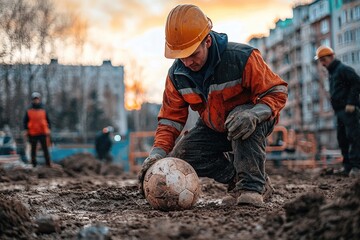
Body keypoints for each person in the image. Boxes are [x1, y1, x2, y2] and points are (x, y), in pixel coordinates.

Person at [138, 4, 288, 207]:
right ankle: (237, 180)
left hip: (253, 121)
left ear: (207, 41)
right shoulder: (177, 76)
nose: (188, 62)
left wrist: (255, 114)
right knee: (183, 153)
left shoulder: (242, 57)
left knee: (239, 117)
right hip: (215, 126)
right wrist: (156, 154)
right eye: (182, 56)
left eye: (193, 54)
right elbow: (170, 119)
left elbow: (277, 91)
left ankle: (252, 188)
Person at [314, 46, 360, 177]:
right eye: (320, 60)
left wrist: (351, 102)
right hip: (339, 112)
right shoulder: (333, 72)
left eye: (324, 59)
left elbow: (357, 83)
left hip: (349, 110)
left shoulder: (343, 69)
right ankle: (348, 167)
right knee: (342, 139)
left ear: (332, 57)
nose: (322, 63)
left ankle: (357, 167)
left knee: (354, 137)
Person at [23, 92, 52, 167]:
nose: (36, 100)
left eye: (37, 99)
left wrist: (49, 129)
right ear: (32, 100)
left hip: (43, 132)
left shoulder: (44, 109)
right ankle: (34, 164)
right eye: (34, 99)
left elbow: (48, 120)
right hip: (33, 132)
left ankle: (48, 164)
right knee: (33, 149)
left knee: (45, 149)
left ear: (39, 99)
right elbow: (25, 121)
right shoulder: (29, 110)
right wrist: (26, 130)